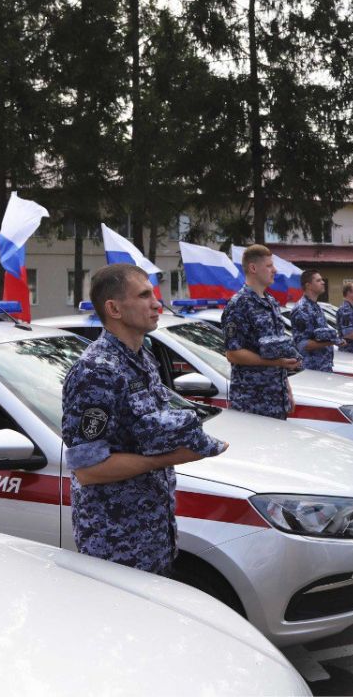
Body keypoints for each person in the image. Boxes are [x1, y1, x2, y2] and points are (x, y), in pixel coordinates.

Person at [62, 263, 228, 575]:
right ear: (114, 308)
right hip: (115, 547)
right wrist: (170, 458)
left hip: (154, 539)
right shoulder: (95, 371)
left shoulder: (143, 358)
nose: (157, 303)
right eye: (144, 295)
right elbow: (88, 469)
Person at [221, 244, 301, 418]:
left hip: (276, 399)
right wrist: (277, 363)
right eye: (269, 266)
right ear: (253, 268)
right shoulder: (238, 304)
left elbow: (277, 350)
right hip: (251, 402)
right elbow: (233, 354)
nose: (275, 270)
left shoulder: (271, 302)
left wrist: (287, 389)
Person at [290, 269, 341, 372]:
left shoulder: (315, 306)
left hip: (323, 366)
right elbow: (303, 344)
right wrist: (332, 342)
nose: (323, 282)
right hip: (312, 369)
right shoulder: (302, 309)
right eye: (318, 280)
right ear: (308, 285)